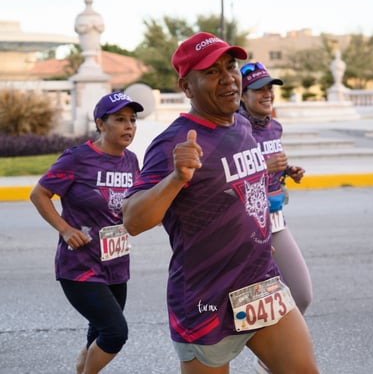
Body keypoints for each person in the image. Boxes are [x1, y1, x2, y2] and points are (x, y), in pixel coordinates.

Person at [122, 32, 319, 374]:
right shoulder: (173, 143)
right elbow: (133, 220)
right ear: (186, 86)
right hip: (205, 299)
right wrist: (176, 178)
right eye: (211, 72)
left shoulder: (242, 125)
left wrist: (255, 240)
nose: (228, 77)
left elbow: (248, 195)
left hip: (260, 284)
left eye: (230, 66)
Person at [30, 91, 144, 374]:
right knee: (115, 332)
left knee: (99, 333)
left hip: (116, 263)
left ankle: (82, 368)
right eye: (120, 119)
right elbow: (39, 194)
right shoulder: (77, 159)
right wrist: (65, 229)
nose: (129, 126)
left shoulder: (131, 161)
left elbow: (136, 205)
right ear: (101, 124)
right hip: (80, 267)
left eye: (132, 119)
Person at [239, 62, 313, 374]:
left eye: (270, 87)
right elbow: (230, 179)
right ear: (243, 95)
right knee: (243, 306)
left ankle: (266, 360)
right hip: (247, 226)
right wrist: (264, 167)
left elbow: (271, 165)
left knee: (301, 294)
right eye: (259, 89)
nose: (267, 94)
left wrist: (286, 170)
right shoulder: (236, 130)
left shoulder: (274, 126)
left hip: (277, 220)